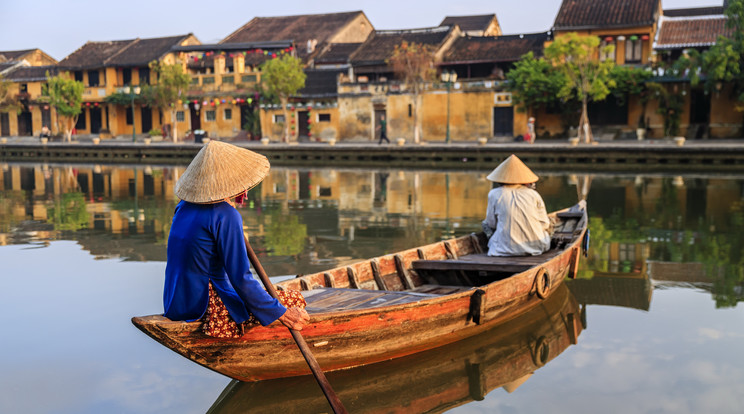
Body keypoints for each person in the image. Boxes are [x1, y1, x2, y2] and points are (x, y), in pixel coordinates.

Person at [163, 140, 310, 338]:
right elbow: (240, 278)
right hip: (205, 304)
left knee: (274, 296)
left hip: (175, 301)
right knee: (295, 299)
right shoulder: (226, 216)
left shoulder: (183, 206)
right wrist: (282, 314)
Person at [482, 154, 551, 256]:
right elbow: (545, 224)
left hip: (502, 250)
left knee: (485, 224)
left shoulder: (494, 194)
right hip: (536, 247)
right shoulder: (533, 194)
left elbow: (491, 224)